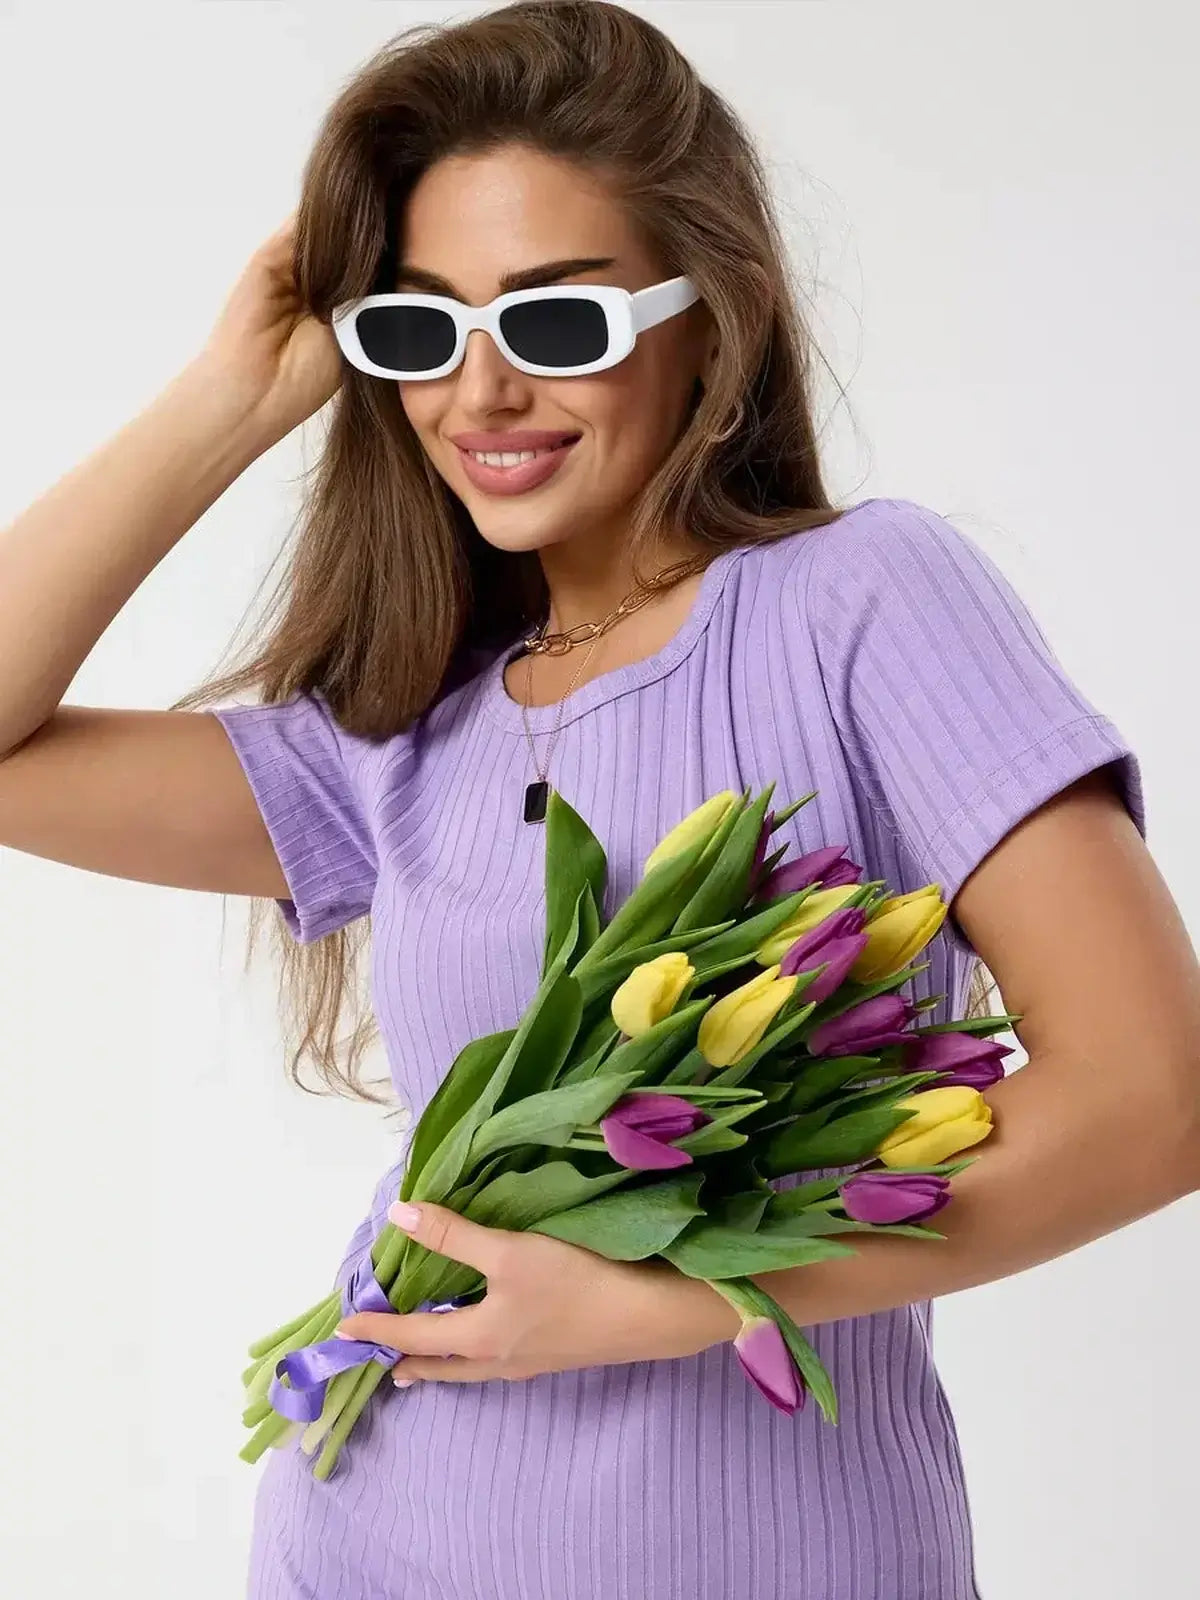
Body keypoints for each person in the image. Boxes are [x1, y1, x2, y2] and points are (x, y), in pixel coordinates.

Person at [1, 4, 1193, 1597]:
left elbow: (1152, 1093)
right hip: (365, 1545)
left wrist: (669, 1296)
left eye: (558, 328)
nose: (481, 396)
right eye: (417, 334)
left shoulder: (860, 606)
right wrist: (236, 388)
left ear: (713, 323)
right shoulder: (401, 735)